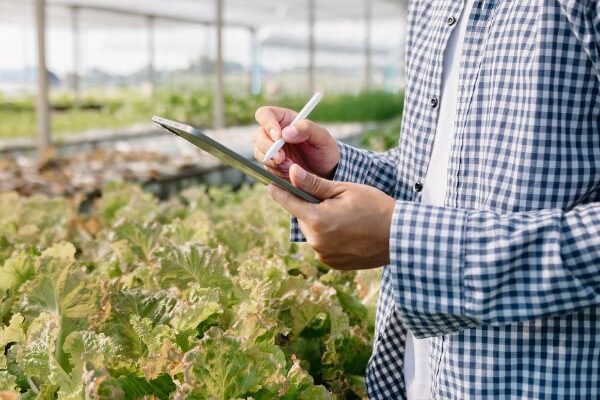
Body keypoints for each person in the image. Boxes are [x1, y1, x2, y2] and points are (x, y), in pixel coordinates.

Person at [252, 1, 600, 399]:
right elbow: (431, 178)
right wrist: (333, 169)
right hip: (424, 375)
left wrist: (405, 238)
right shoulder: (432, 6)